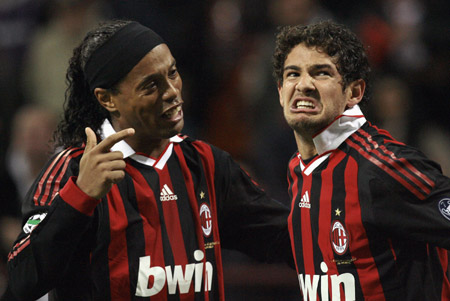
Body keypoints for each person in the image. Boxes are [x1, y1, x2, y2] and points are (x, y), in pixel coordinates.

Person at [7, 19, 292, 300]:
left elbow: (289, 239)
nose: (172, 92)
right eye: (151, 85)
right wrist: (80, 198)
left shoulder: (204, 162)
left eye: (172, 73)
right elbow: (21, 283)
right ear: (107, 99)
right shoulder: (72, 170)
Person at [272, 20, 450, 300]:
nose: (304, 84)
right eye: (293, 74)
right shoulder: (299, 166)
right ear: (281, 92)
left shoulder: (382, 167)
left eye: (321, 73)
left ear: (354, 92)